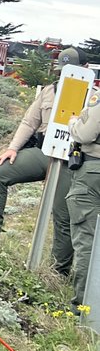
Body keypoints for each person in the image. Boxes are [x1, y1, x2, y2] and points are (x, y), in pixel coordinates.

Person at [0, 47, 84, 274]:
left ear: (84, 69)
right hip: (44, 151)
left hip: (71, 160)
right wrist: (12, 148)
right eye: (62, 71)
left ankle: (58, 272)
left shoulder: (93, 97)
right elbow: (29, 123)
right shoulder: (49, 91)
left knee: (63, 213)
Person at [66, 85, 100, 310]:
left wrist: (72, 122)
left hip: (93, 173)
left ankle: (85, 309)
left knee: (87, 239)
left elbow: (86, 133)